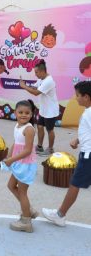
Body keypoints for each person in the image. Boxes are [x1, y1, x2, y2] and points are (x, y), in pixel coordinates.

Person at [42, 81, 91, 227]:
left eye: (78, 95)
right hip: (87, 152)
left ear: (86, 97)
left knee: (75, 184)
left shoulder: (89, 114)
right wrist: (78, 139)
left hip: (88, 155)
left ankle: (59, 215)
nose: (76, 98)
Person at [0, 100, 37, 233]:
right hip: (18, 162)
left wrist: (11, 160)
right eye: (20, 112)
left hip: (25, 164)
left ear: (31, 114)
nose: (23, 115)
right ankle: (28, 209)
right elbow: (16, 143)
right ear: (15, 112)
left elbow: (27, 150)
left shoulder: (29, 129)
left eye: (27, 113)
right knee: (11, 186)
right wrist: (9, 156)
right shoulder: (18, 126)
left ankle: (26, 221)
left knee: (22, 192)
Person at [19, 59, 59, 156]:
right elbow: (35, 88)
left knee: (49, 130)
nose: (35, 74)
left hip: (51, 111)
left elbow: (36, 93)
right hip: (44, 109)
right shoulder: (41, 79)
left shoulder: (49, 81)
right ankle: (40, 147)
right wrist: (26, 85)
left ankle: (50, 149)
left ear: (42, 71)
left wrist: (24, 86)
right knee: (40, 126)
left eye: (36, 72)